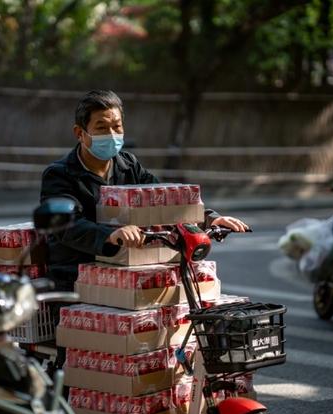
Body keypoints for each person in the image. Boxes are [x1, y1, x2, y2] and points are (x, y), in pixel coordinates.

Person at [40, 90, 249, 290]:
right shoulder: (59, 174)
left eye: (117, 127)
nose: (112, 135)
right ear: (80, 133)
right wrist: (110, 234)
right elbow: (64, 226)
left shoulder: (128, 165)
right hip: (76, 276)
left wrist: (209, 218)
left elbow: (164, 198)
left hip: (128, 270)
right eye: (102, 128)